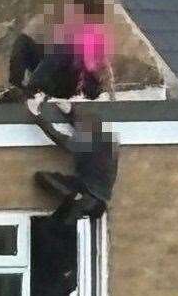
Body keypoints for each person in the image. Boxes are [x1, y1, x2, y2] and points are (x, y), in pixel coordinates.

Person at [0, 0, 116, 104]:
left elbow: (103, 70)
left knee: (63, 50)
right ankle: (20, 88)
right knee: (25, 42)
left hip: (74, 88)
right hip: (55, 81)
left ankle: (30, 92)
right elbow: (38, 53)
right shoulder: (61, 29)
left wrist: (110, 95)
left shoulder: (89, 36)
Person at [26, 95, 119, 225]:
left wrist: (37, 116)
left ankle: (77, 202)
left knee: (45, 180)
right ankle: (77, 201)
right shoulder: (104, 140)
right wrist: (70, 112)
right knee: (43, 178)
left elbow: (60, 139)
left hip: (90, 194)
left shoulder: (94, 143)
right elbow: (84, 127)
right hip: (90, 190)